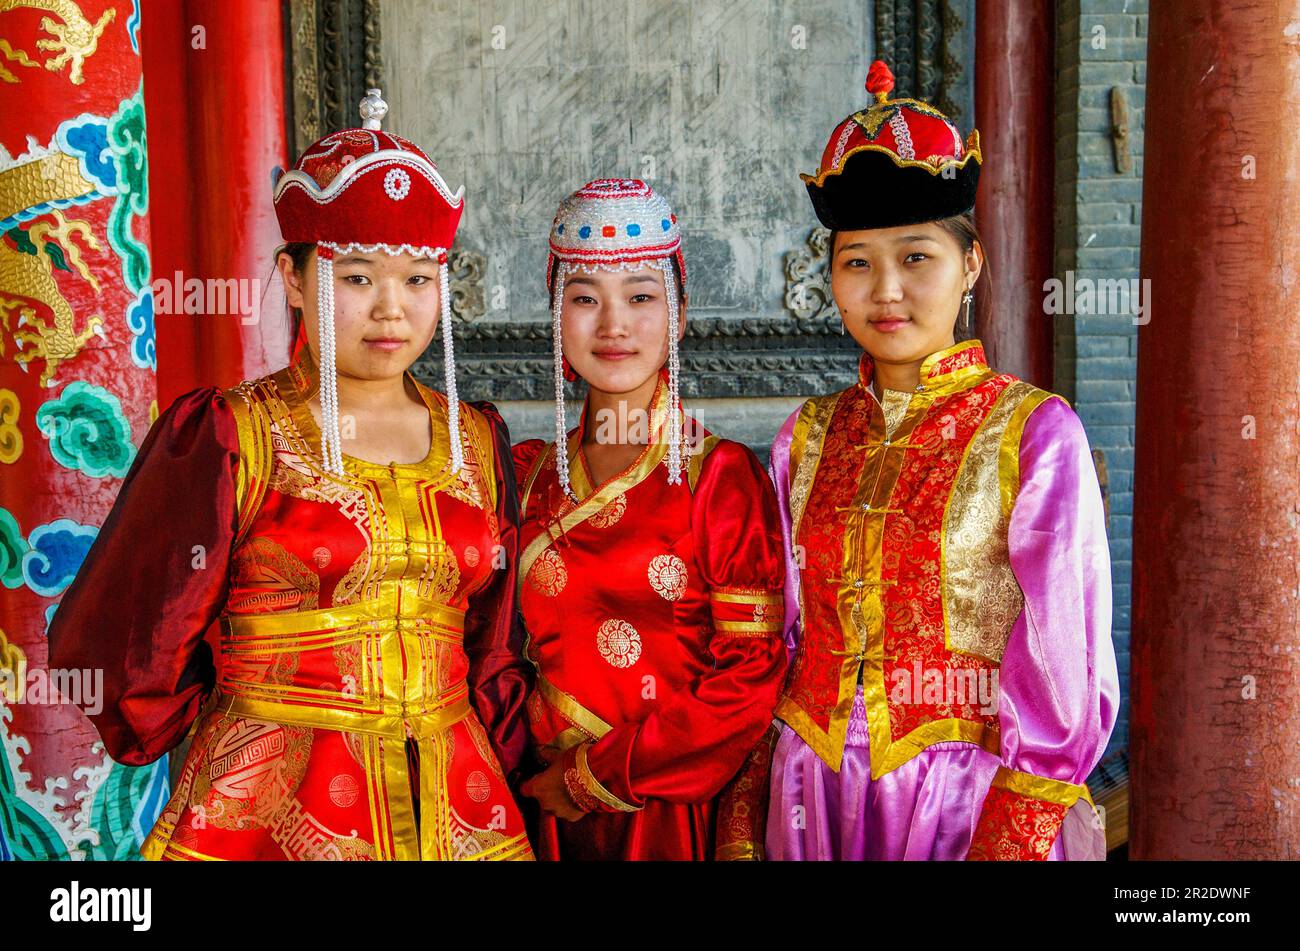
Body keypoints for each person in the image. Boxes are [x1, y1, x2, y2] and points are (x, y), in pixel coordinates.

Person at [46, 90, 534, 861]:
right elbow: (122, 629)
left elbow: (495, 642)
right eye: (358, 277)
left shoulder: (478, 437)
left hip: (457, 798)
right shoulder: (229, 435)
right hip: (271, 807)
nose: (391, 310)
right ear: (295, 277)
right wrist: (219, 712)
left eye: (417, 279)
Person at [760, 61, 1119, 860]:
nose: (887, 289)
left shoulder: (1030, 432)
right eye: (857, 262)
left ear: (971, 266)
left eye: (916, 256)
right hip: (811, 789)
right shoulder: (807, 436)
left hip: (966, 797)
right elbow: (779, 635)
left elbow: (1065, 659)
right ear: (831, 279)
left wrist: (1013, 830)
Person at [513, 179, 787, 860]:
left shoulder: (718, 479)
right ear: (555, 316)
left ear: (680, 315)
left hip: (664, 811)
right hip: (536, 805)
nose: (613, 324)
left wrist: (592, 775)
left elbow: (750, 677)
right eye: (584, 299)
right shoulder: (523, 476)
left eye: (641, 297)